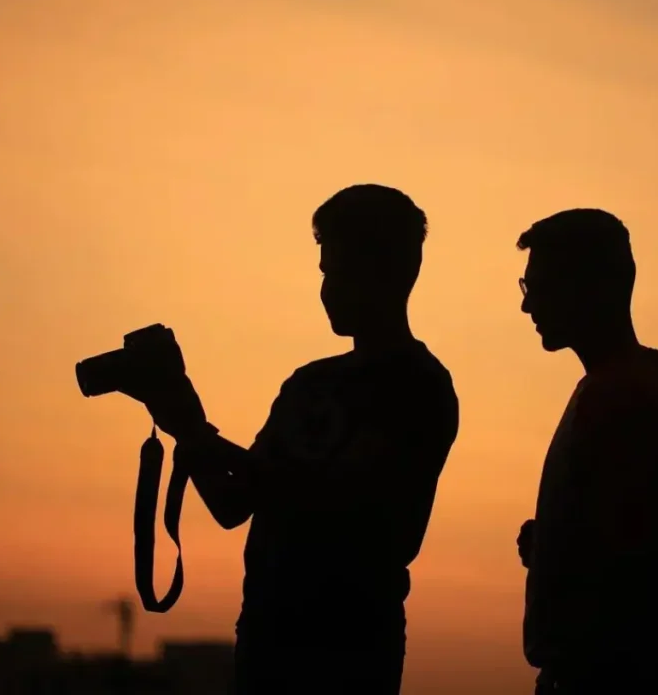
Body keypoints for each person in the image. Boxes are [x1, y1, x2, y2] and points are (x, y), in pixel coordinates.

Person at [127, 184, 459, 694]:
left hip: (349, 648)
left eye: (340, 270)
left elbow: (368, 519)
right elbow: (234, 505)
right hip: (266, 639)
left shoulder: (418, 386)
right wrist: (187, 426)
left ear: (391, 271)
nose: (328, 288)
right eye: (325, 272)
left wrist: (205, 440)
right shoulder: (309, 383)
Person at [514, 209, 658, 693]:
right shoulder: (626, 384)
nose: (529, 308)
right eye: (526, 288)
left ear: (595, 286)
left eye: (541, 286)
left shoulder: (618, 396)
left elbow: (625, 552)